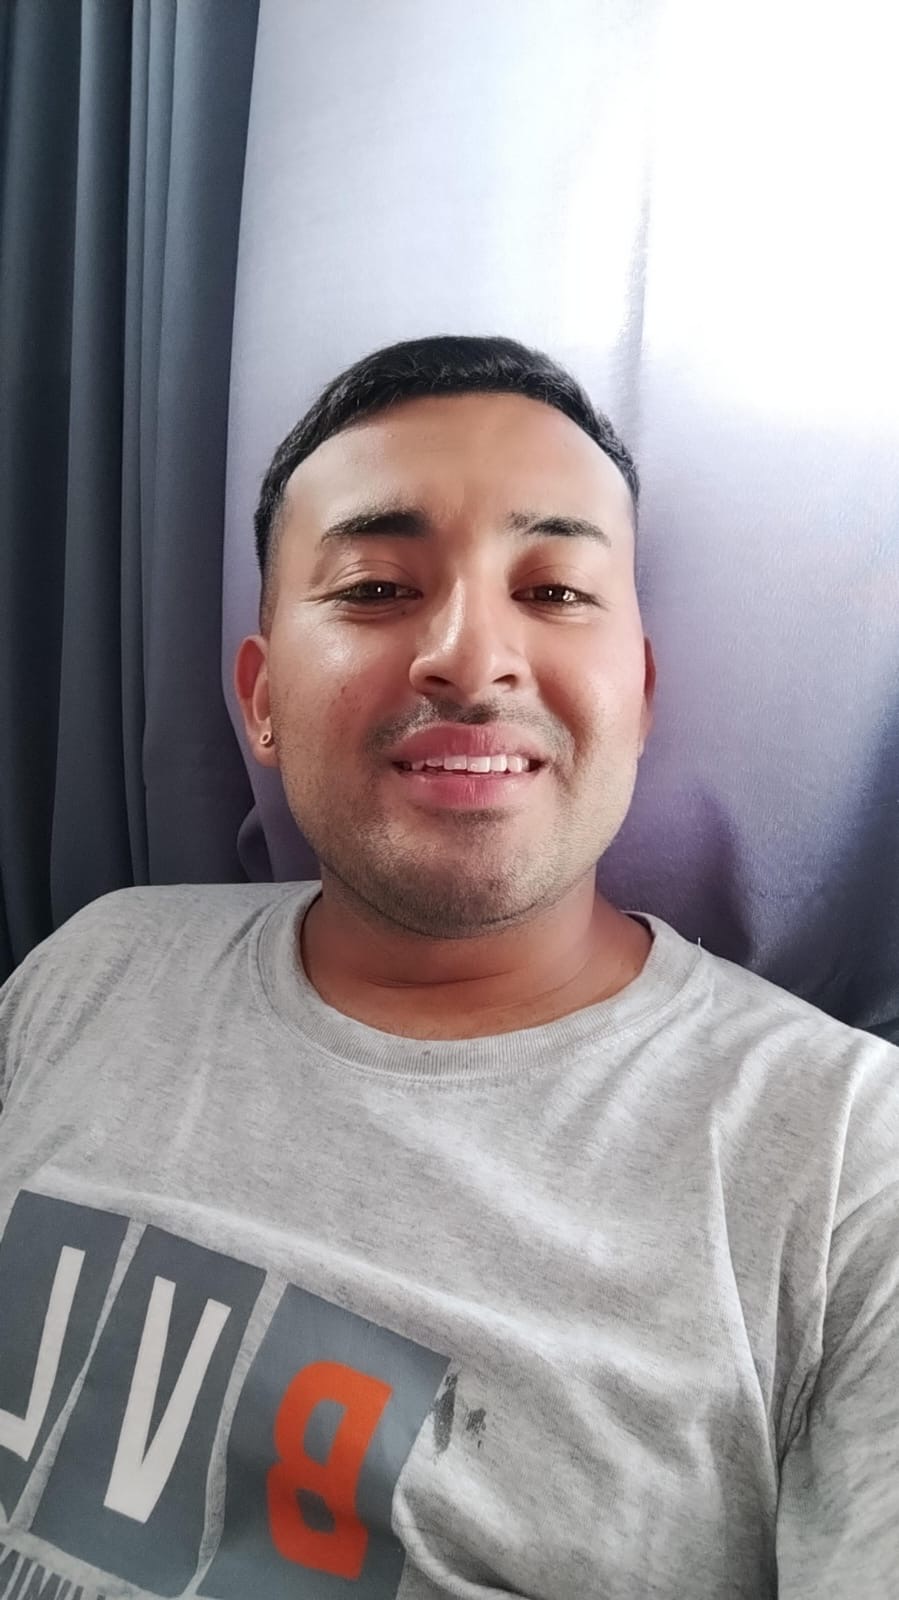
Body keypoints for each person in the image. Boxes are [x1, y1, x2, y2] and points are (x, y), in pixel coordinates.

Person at [0, 334, 896, 1600]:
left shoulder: (849, 1163)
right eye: (375, 587)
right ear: (260, 697)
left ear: (640, 692)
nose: (471, 661)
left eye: (556, 590)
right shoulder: (94, 966)